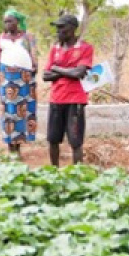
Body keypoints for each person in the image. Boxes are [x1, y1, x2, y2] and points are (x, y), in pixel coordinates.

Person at [43, 14, 93, 166]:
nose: (58, 31)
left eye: (61, 27)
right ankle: (54, 171)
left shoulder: (85, 48)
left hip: (75, 99)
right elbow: (45, 76)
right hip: (56, 99)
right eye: (57, 28)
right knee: (53, 139)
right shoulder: (55, 48)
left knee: (75, 141)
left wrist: (57, 69)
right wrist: (69, 71)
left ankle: (77, 173)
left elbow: (79, 73)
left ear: (72, 28)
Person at [0, 8, 38, 155]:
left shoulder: (27, 37)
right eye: (5, 21)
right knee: (8, 112)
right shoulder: (0, 38)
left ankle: (18, 146)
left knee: (23, 111)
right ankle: (10, 146)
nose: (7, 24)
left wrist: (32, 71)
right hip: (6, 79)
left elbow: (34, 57)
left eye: (10, 21)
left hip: (25, 79)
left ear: (17, 22)